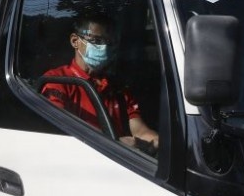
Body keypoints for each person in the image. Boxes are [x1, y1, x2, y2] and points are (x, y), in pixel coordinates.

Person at [41, 14, 160, 152]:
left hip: (123, 162)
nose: (104, 48)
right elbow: (58, 131)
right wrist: (113, 143)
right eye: (97, 41)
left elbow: (140, 130)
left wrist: (157, 142)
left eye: (108, 43)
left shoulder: (117, 89)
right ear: (75, 41)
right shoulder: (57, 81)